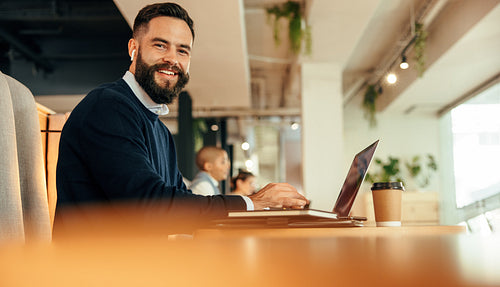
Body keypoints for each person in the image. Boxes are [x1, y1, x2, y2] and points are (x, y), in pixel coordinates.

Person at [55, 2, 308, 225]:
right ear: (134, 48)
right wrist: (252, 203)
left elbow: (181, 204)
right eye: (160, 45)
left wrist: (261, 211)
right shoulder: (108, 107)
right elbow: (148, 207)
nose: (172, 59)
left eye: (182, 50)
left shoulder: (160, 131)